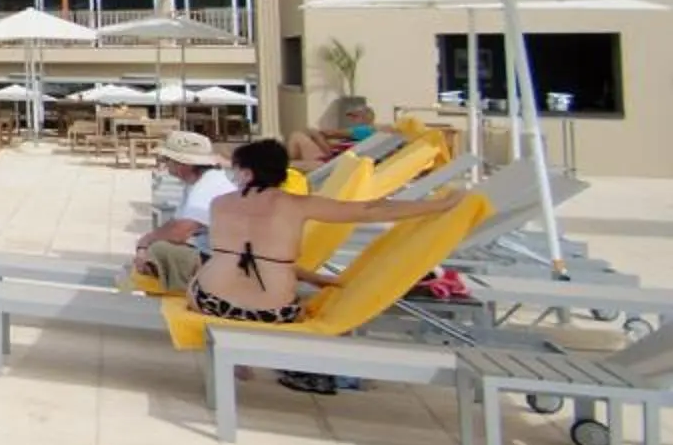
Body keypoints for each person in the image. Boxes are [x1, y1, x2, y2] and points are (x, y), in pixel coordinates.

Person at [186, 136, 467, 336]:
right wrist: (439, 205)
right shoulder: (296, 205)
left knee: (207, 265)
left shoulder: (219, 205)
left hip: (210, 301)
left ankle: (237, 365)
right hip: (272, 311)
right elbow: (370, 210)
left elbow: (245, 255)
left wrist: (319, 279)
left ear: (246, 173)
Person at [129, 130, 232, 291]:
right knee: (156, 248)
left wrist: (146, 241)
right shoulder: (198, 183)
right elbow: (176, 222)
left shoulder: (207, 187)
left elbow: (180, 232)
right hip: (215, 254)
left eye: (167, 159)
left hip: (219, 261)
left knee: (159, 251)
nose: (164, 163)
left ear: (183, 164)